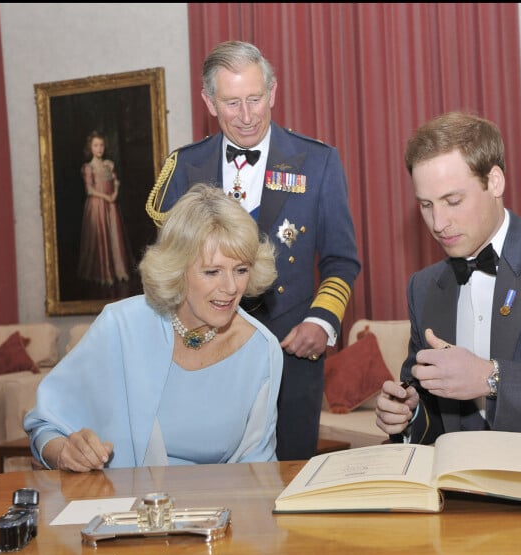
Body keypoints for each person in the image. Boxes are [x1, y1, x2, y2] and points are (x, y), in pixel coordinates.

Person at [146, 40, 361, 460]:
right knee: (206, 476)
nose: (246, 116)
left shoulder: (317, 162)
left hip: (290, 348)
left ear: (273, 93)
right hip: (204, 350)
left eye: (255, 99)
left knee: (290, 477)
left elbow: (341, 259)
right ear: (209, 102)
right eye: (231, 103)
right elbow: (167, 265)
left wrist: (322, 321)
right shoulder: (183, 167)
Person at [24, 183, 282, 471]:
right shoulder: (120, 327)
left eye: (241, 270)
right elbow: (44, 425)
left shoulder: (262, 349)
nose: (231, 287)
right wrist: (63, 453)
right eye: (212, 271)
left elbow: (258, 467)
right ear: (177, 268)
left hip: (217, 511)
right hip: (120, 508)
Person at [375, 110, 521, 444]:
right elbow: (431, 409)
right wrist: (408, 412)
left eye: (453, 200)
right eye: (426, 205)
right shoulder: (423, 288)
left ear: (494, 182)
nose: (438, 222)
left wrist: (491, 379)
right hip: (456, 490)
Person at [77, 130, 132, 286]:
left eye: (101, 145)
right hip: (97, 205)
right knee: (100, 236)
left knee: (113, 234)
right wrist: (105, 197)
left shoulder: (108, 164)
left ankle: (118, 270)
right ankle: (102, 272)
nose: (99, 148)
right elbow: (89, 190)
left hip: (111, 204)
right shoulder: (88, 167)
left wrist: (114, 193)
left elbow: (115, 181)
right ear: (90, 148)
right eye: (95, 145)